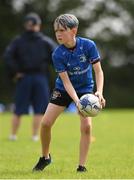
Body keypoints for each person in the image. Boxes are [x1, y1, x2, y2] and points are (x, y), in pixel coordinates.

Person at [33, 14, 105, 172]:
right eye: (56, 31)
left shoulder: (88, 45)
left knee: (86, 127)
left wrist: (99, 92)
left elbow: (98, 72)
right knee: (45, 124)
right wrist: (76, 101)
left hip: (86, 89)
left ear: (74, 30)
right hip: (63, 89)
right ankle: (45, 157)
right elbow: (66, 82)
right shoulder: (57, 54)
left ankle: (81, 166)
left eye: (62, 30)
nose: (58, 34)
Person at [4, 12, 57, 141]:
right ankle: (35, 136)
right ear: (38, 25)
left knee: (19, 108)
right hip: (40, 77)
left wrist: (16, 71)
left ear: (25, 25)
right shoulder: (45, 41)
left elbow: (7, 56)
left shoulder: (18, 41)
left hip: (24, 77)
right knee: (39, 108)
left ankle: (13, 135)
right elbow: (57, 56)